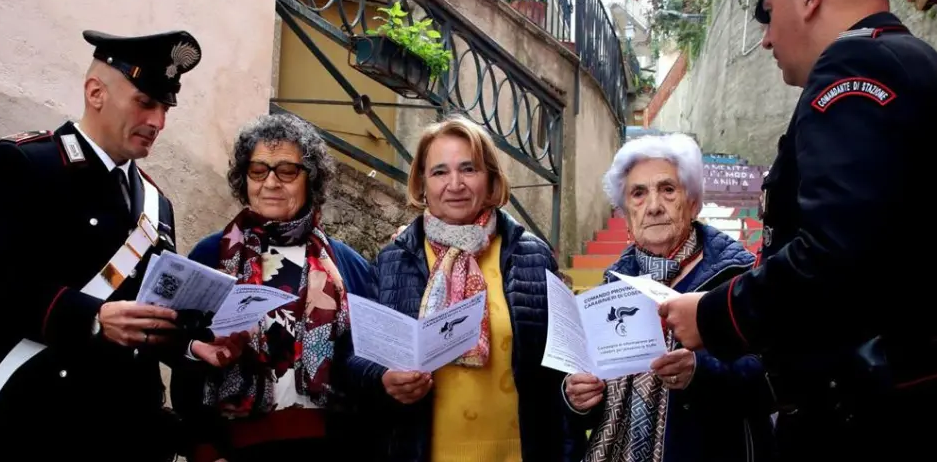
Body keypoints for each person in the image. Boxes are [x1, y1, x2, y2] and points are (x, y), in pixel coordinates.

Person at [655, 0, 937, 461]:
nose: (765, 38)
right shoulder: (913, 63)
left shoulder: (852, 70)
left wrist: (715, 315)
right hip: (922, 405)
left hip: (872, 423)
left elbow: (838, 257)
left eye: (767, 14)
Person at [0, 29, 203, 462]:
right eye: (145, 102)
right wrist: (92, 316)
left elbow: (147, 313)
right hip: (43, 420)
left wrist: (191, 346)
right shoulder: (26, 164)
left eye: (165, 108)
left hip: (131, 430)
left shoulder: (157, 204)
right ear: (96, 92)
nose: (158, 122)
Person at [350, 116, 588, 461]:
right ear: (422, 182)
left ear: (490, 178)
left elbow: (564, 366)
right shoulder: (394, 260)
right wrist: (383, 378)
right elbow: (357, 355)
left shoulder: (532, 255)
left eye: (469, 169)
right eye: (440, 172)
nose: (455, 184)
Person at [171, 113, 375, 461]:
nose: (271, 182)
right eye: (258, 170)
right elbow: (182, 354)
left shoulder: (348, 267)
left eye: (287, 170)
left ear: (311, 179)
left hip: (328, 449)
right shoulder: (210, 255)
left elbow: (368, 367)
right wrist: (202, 449)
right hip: (231, 449)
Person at [566, 133, 775, 462]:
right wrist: (578, 397)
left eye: (667, 190)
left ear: (693, 204)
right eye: (638, 194)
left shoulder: (739, 277)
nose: (653, 206)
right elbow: (594, 403)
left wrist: (700, 372)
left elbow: (772, 378)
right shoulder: (609, 288)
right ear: (626, 216)